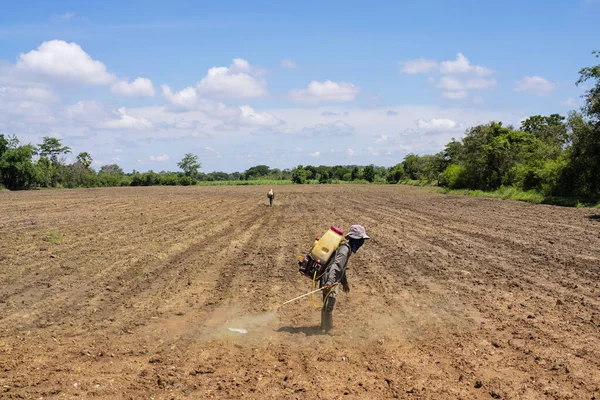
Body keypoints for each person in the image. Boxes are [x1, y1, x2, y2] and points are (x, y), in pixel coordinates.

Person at [319, 224, 369, 333]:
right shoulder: (345, 250)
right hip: (330, 278)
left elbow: (342, 268)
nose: (361, 243)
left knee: (326, 303)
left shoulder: (346, 249)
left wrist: (344, 282)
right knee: (329, 303)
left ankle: (324, 326)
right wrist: (330, 281)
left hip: (329, 277)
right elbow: (336, 266)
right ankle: (326, 329)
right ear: (355, 239)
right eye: (361, 240)